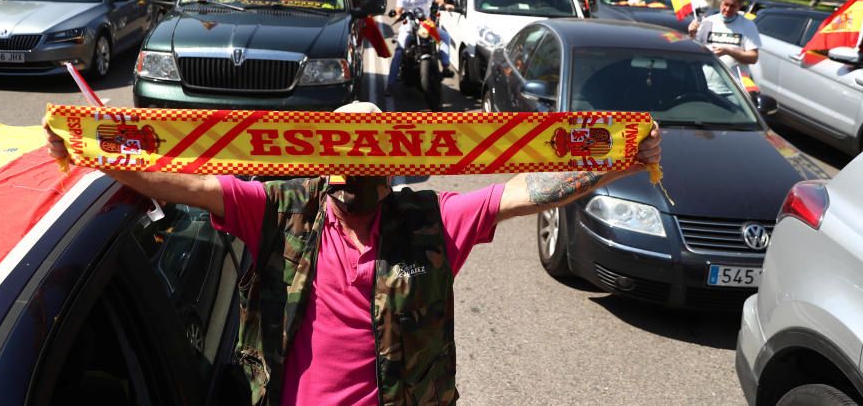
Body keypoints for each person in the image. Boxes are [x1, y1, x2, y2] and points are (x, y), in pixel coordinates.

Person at [42, 101, 662, 406]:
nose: (345, 182)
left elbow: (519, 193)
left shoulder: (430, 224)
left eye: (362, 172)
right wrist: (94, 150)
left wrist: (620, 158)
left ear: (391, 174)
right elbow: (193, 185)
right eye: (336, 170)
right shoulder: (282, 211)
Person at [386, 0, 453, 96]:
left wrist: (447, 3)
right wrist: (397, 14)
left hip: (426, 25)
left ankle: (445, 66)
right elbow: (398, 10)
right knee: (399, 51)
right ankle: (390, 85)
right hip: (408, 26)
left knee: (445, 37)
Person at [688, 0, 761, 94]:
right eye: (725, 4)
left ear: (740, 5)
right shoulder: (709, 21)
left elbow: (753, 57)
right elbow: (693, 51)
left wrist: (729, 51)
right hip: (704, 87)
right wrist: (692, 34)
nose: (727, 9)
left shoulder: (747, 25)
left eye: (733, 6)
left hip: (733, 92)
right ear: (721, 1)